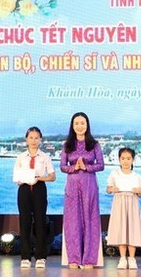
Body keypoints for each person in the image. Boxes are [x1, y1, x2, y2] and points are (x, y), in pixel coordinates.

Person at [60, 112, 104, 268]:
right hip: (72, 186)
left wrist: (86, 167)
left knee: (90, 219)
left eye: (82, 123)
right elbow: (62, 166)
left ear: (87, 125)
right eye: (77, 123)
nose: (80, 126)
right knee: (73, 221)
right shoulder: (67, 145)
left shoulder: (94, 144)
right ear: (72, 125)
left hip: (90, 185)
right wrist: (74, 168)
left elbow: (101, 165)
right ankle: (74, 258)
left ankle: (89, 259)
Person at [13, 126, 56, 269]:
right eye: (31, 137)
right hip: (24, 189)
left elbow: (52, 176)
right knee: (24, 222)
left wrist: (40, 178)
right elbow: (16, 175)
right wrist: (19, 179)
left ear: (40, 140)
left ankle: (40, 256)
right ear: (26, 139)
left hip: (39, 188)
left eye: (36, 138)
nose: (33, 140)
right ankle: (25, 256)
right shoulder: (20, 157)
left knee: (40, 222)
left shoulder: (45, 157)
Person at [106, 147, 141, 269]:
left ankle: (132, 258)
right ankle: (122, 258)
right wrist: (112, 189)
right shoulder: (114, 173)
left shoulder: (136, 176)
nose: (125, 161)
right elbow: (108, 189)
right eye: (123, 158)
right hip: (119, 202)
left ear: (133, 160)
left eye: (128, 158)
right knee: (121, 229)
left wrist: (138, 191)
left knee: (132, 229)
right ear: (119, 159)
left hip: (132, 202)